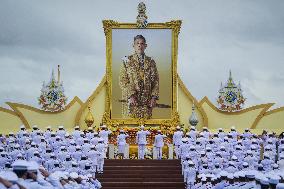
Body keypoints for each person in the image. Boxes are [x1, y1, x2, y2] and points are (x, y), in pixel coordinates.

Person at [119, 34, 159, 119]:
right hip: (131, 103)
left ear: (145, 46)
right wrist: (131, 95)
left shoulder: (151, 62)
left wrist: (153, 97)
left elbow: (155, 81)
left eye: (142, 43)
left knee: (147, 130)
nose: (139, 45)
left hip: (146, 104)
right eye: (137, 43)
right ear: (133, 45)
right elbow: (123, 80)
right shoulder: (127, 61)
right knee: (130, 130)